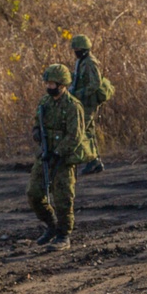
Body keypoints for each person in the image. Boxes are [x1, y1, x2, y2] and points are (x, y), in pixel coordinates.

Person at [28, 64, 91, 250]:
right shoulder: (44, 102)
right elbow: (36, 122)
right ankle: (51, 225)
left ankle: (63, 235)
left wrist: (58, 153)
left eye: (52, 83)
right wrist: (37, 133)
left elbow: (75, 135)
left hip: (63, 158)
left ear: (62, 84)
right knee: (34, 194)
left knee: (63, 197)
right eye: (47, 83)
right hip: (46, 156)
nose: (49, 86)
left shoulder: (73, 106)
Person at [68, 34, 105, 174]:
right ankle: (95, 161)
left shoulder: (90, 62)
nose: (75, 51)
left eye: (77, 48)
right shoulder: (81, 62)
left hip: (88, 102)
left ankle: (92, 161)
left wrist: (80, 94)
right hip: (82, 102)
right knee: (88, 131)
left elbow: (96, 83)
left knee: (82, 131)